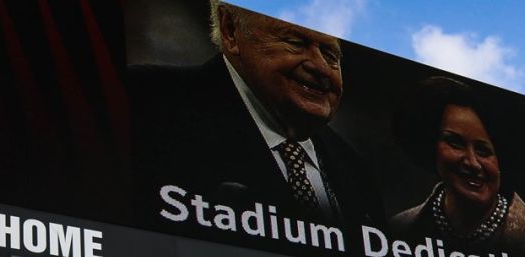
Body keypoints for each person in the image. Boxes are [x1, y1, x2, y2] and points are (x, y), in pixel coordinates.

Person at [131, 2, 385, 229]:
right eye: (296, 43)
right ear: (230, 30)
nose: (320, 67)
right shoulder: (147, 102)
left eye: (331, 55)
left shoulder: (356, 171)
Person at [390, 76, 525, 257]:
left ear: (502, 160)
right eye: (455, 143)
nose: (472, 162)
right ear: (430, 144)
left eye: (483, 151)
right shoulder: (398, 229)